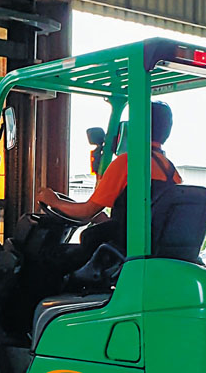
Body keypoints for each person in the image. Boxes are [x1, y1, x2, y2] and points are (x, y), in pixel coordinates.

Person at [36, 101, 182, 270]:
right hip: (145, 250)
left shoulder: (128, 162)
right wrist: (100, 218)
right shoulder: (171, 171)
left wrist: (53, 201)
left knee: (43, 259)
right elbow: (145, 220)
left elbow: (86, 212)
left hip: (121, 256)